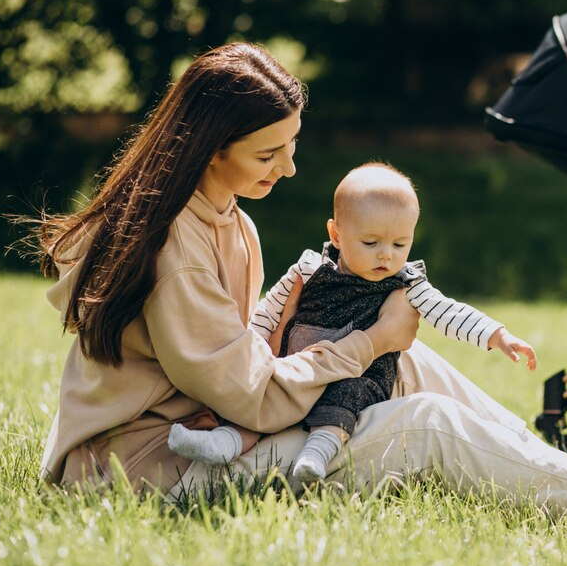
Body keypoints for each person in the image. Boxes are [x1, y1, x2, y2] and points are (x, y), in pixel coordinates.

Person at [33, 41, 567, 531]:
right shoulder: (178, 239)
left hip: (203, 431)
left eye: (292, 147)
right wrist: (368, 341)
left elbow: (262, 347)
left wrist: (376, 351)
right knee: (429, 419)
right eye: (270, 153)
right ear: (212, 148)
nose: (291, 169)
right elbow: (245, 397)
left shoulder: (224, 217)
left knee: (418, 369)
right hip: (147, 474)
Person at [167, 162, 537, 483]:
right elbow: (268, 312)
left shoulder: (406, 285)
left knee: (344, 399)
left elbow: (448, 312)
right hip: (297, 370)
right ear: (337, 235)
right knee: (261, 405)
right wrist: (254, 348)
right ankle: (222, 443)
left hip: (356, 375)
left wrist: (496, 335)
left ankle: (319, 451)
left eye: (399, 244)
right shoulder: (309, 268)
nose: (385, 255)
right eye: (371, 242)